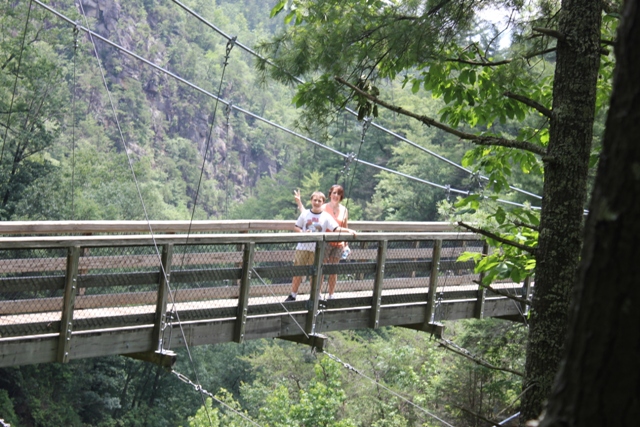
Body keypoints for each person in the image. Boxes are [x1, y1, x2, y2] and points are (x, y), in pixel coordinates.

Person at [285, 191, 356, 302]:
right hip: (302, 248)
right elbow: (296, 227)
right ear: (311, 201)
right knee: (298, 271)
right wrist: (303, 233)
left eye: (319, 201)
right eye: (315, 200)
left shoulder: (326, 216)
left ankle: (314, 295)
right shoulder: (305, 214)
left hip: (316, 250)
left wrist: (349, 230)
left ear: (323, 202)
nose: (317, 202)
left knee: (315, 274)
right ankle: (293, 294)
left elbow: (336, 229)